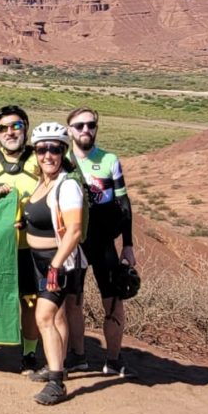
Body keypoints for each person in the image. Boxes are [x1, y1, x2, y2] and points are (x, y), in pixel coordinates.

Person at [65, 107, 137, 377]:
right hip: (77, 241)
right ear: (70, 130)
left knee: (114, 300)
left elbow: (123, 202)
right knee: (73, 301)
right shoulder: (64, 160)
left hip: (105, 242)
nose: (86, 130)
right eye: (79, 125)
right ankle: (78, 355)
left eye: (91, 125)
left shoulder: (109, 160)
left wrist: (128, 244)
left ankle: (115, 359)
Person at [0, 106, 41, 373]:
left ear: (25, 128)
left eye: (16, 126)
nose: (10, 132)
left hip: (32, 245)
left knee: (30, 301)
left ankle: (29, 354)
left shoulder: (41, 158)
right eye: (3, 128)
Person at [24, 122, 86, 405]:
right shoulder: (43, 181)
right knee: (57, 317)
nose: (47, 155)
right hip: (41, 259)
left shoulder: (68, 185)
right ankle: (55, 364)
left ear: (62, 151)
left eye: (53, 149)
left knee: (44, 317)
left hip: (56, 262)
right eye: (41, 149)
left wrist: (56, 266)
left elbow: (74, 230)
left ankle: (56, 383)